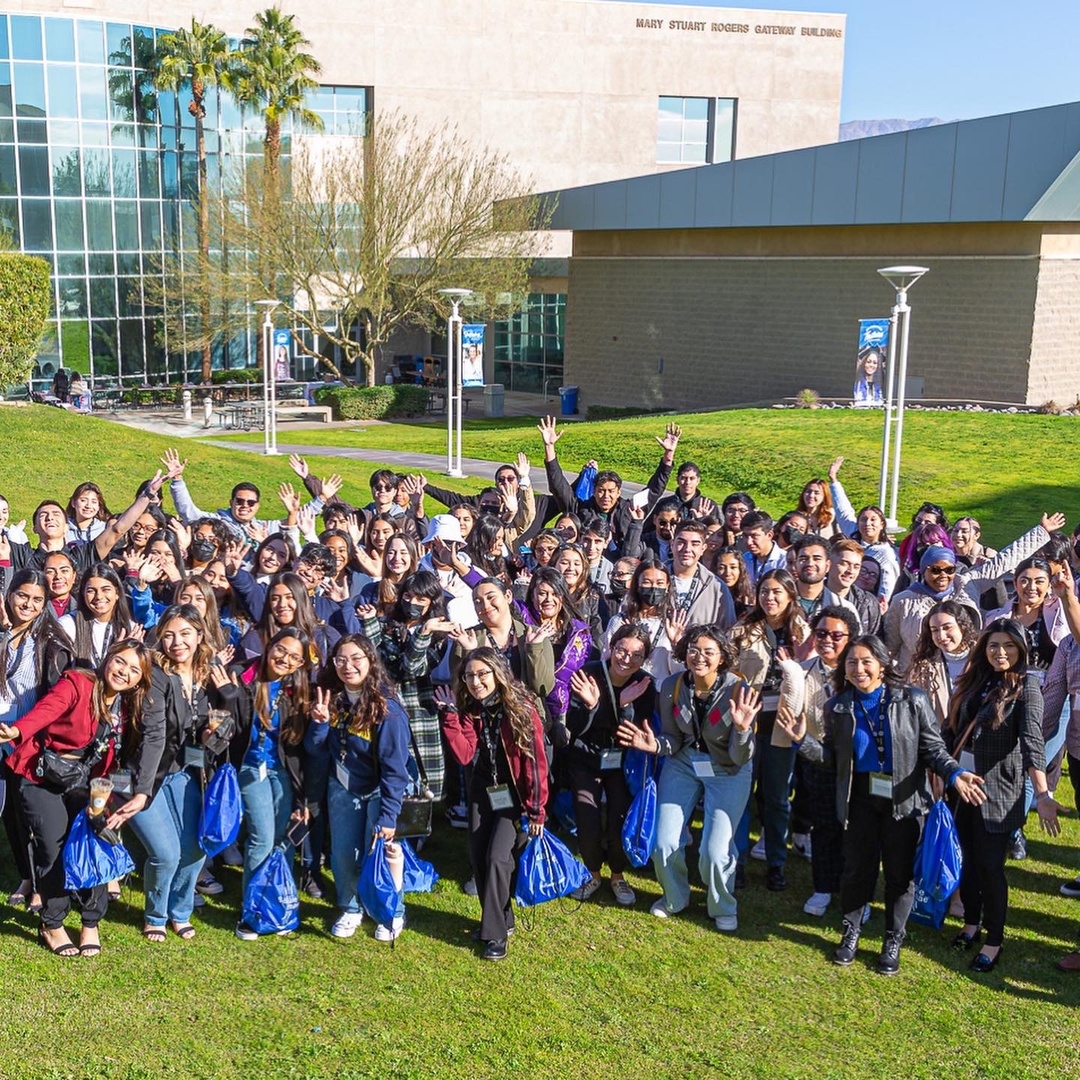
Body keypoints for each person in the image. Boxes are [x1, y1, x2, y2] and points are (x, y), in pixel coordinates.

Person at [778, 635, 986, 975]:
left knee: (899, 876)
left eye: (865, 662)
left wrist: (955, 774)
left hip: (904, 802)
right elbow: (832, 758)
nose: (858, 669)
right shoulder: (839, 706)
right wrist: (803, 741)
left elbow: (933, 749)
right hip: (860, 800)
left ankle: (893, 939)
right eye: (851, 663)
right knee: (856, 870)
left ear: (882, 664)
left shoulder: (913, 701)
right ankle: (851, 933)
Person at [0, 639, 152, 957]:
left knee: (96, 843)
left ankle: (90, 922)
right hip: (43, 773)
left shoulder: (130, 707)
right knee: (52, 848)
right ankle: (53, 923)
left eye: (134, 669)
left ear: (141, 678)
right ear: (108, 658)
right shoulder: (78, 682)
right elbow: (47, 710)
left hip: (92, 782)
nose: (124, 672)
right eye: (120, 662)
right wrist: (17, 731)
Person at [617, 626, 761, 932]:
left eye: (709, 652)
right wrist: (655, 746)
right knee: (664, 841)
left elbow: (740, 756)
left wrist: (743, 730)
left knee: (714, 850)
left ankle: (722, 905)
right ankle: (674, 898)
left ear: (723, 658)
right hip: (684, 763)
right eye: (694, 649)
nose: (700, 657)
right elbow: (673, 738)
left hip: (728, 768)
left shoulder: (740, 692)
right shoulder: (672, 686)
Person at [946, 618, 1058, 972]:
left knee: (991, 866)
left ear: (1021, 649)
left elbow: (1032, 742)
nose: (1000, 652)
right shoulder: (975, 679)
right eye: (994, 645)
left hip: (999, 791)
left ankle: (994, 940)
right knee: (969, 860)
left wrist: (1042, 792)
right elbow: (955, 730)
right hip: (964, 785)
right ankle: (971, 924)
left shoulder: (1028, 688)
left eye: (1009, 646)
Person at [439, 648, 547, 960]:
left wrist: (537, 808)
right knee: (479, 857)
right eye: (470, 675)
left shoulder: (521, 708)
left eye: (483, 673)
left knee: (499, 858)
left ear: (498, 673)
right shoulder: (469, 708)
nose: (476, 681)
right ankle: (501, 919)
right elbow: (463, 754)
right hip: (482, 790)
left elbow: (536, 763)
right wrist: (449, 715)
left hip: (514, 795)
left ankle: (496, 934)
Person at [123, 605, 218, 942]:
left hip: (187, 772)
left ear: (199, 636)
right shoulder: (157, 676)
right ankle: (155, 916)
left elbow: (227, 719)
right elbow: (154, 736)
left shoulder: (210, 673)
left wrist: (216, 733)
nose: (177, 642)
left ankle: (180, 912)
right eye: (169, 635)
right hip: (147, 773)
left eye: (185, 634)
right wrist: (142, 791)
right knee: (165, 853)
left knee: (196, 849)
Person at [307, 634, 411, 942]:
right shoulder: (332, 699)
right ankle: (350, 906)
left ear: (370, 662)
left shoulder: (388, 709)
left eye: (355, 659)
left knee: (381, 852)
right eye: (340, 659)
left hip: (379, 791)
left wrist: (389, 815)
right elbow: (315, 750)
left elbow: (395, 769)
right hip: (341, 787)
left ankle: (391, 910)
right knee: (342, 854)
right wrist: (320, 723)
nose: (347, 666)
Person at [223, 626, 316, 938]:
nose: (284, 659)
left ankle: (278, 904)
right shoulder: (242, 677)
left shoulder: (299, 691)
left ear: (301, 664)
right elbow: (229, 729)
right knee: (262, 838)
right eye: (281, 650)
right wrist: (231, 696)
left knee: (284, 839)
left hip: (281, 772)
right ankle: (252, 912)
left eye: (294, 657)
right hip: (250, 767)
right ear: (269, 645)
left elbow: (298, 750)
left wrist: (304, 799)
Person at [729, 568, 810, 889]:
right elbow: (729, 670)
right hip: (748, 722)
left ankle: (776, 862)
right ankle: (736, 861)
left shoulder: (802, 632)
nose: (770, 597)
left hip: (783, 726)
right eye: (764, 591)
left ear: (791, 595)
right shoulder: (744, 629)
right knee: (741, 794)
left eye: (777, 592)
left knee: (776, 797)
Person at [566, 624, 656, 906]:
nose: (626, 659)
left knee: (620, 813)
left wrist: (625, 706)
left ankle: (617, 874)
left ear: (644, 659)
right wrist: (593, 706)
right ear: (611, 647)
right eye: (621, 650)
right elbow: (575, 727)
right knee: (587, 812)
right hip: (585, 757)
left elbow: (633, 734)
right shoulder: (588, 673)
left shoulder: (644, 684)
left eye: (636, 655)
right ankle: (593, 872)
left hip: (622, 762)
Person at [0, 569, 74, 913]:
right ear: (10, 594)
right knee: (11, 819)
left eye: (36, 600)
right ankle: (27, 876)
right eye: (22, 596)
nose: (27, 604)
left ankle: (42, 887)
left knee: (33, 818)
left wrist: (26, 730)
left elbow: (54, 701)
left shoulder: (49, 643)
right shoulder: (3, 633)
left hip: (27, 742)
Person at [798, 605, 859, 917]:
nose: (828, 640)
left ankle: (856, 894)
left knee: (857, 830)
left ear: (849, 638)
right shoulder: (803, 669)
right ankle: (823, 887)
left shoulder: (860, 671)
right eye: (821, 633)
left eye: (836, 635)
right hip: (817, 756)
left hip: (858, 762)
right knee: (823, 826)